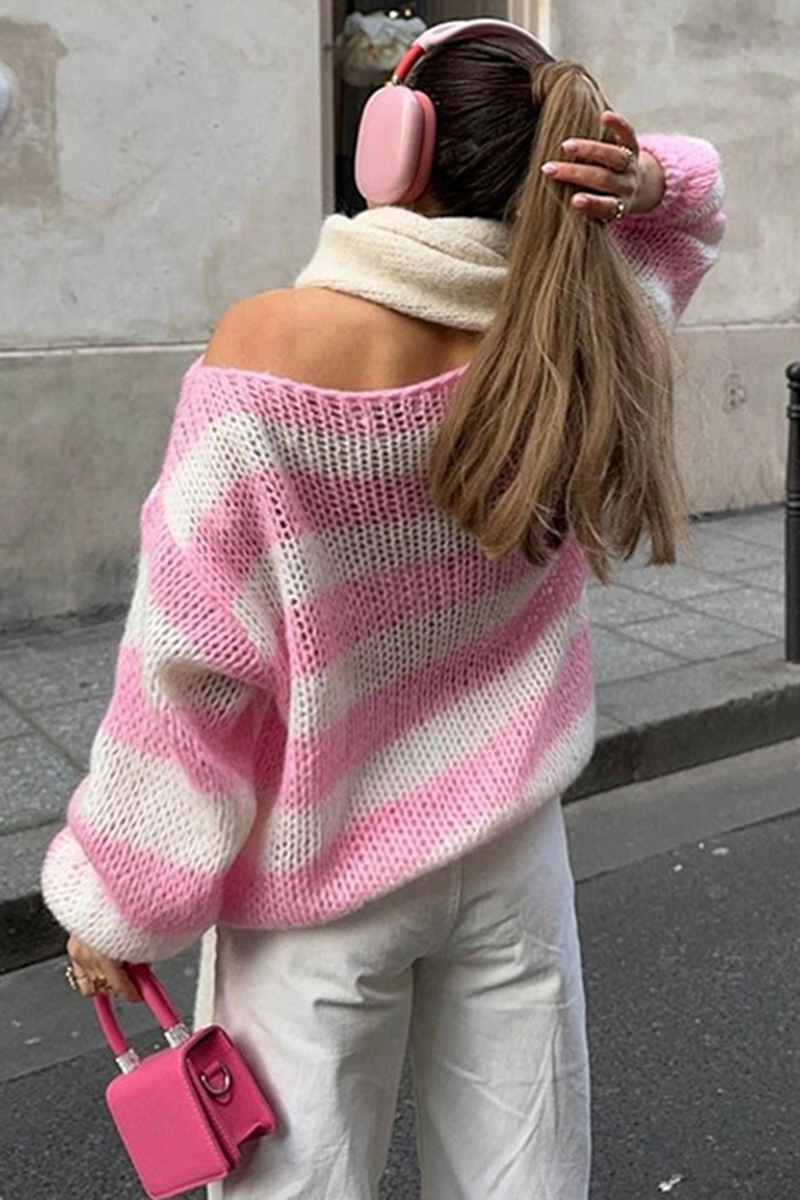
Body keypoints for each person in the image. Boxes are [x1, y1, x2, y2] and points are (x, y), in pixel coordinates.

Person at [42, 18, 724, 1200]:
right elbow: (691, 219)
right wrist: (649, 179)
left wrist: (120, 901)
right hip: (511, 854)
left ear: (391, 147)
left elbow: (190, 670)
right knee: (523, 1179)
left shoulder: (269, 348)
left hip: (318, 882)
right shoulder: (591, 332)